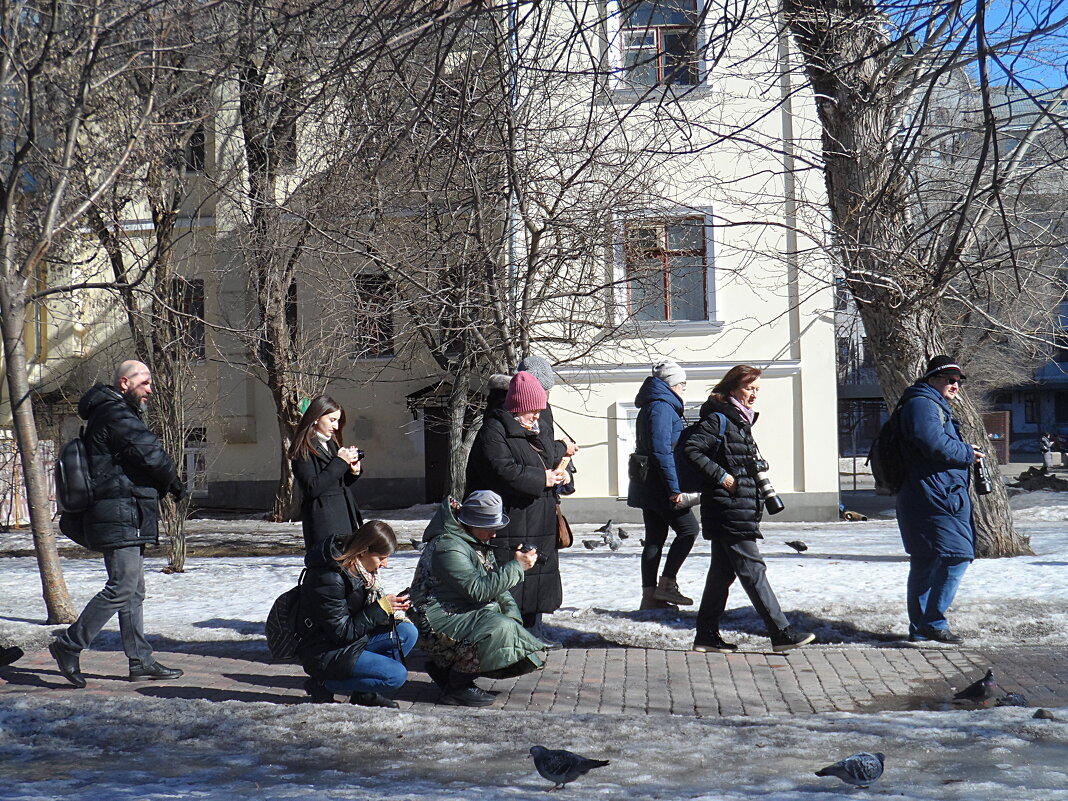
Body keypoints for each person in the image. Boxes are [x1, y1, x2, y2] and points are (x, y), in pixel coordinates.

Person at [49, 360, 187, 687]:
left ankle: (140, 660)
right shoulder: (117, 415)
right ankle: (69, 644)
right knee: (122, 586)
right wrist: (175, 483)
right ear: (125, 383)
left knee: (133, 590)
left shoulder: (109, 412)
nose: (150, 389)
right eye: (145, 382)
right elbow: (150, 452)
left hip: (124, 510)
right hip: (119, 512)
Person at [684, 365, 815, 653]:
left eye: (757, 389)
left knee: (721, 574)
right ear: (731, 388)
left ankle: (706, 636)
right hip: (728, 507)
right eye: (748, 388)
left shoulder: (739, 421)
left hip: (739, 506)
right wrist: (721, 476)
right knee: (753, 570)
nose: (753, 395)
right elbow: (691, 449)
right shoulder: (718, 418)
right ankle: (781, 632)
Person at [409, 491, 546, 707]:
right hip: (434, 618)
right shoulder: (449, 546)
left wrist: (513, 617)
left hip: (456, 610)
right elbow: (478, 590)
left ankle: (447, 671)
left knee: (505, 623)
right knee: (497, 628)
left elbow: (494, 584)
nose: (494, 534)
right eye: (490, 527)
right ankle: (456, 687)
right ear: (470, 523)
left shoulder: (471, 540)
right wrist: (518, 567)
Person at [466, 371, 567, 634]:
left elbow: (546, 461)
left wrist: (560, 474)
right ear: (517, 408)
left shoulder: (534, 430)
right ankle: (514, 641)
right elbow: (502, 471)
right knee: (514, 586)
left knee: (535, 584)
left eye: (539, 410)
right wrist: (541, 478)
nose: (537, 416)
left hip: (536, 521)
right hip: (511, 524)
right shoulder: (494, 430)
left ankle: (533, 636)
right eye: (532, 410)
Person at [896, 355, 983, 645]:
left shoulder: (926, 403)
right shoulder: (923, 403)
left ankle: (920, 627)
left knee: (925, 561)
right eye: (949, 379)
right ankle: (933, 622)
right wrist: (966, 453)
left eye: (958, 381)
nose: (955, 385)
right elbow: (931, 441)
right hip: (935, 497)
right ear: (932, 379)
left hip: (930, 494)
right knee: (957, 555)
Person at [298, 520, 417, 708]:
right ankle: (323, 684)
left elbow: (359, 614)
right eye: (381, 557)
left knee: (408, 632)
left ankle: (364, 694)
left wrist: (391, 609)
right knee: (395, 676)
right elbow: (341, 632)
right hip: (325, 651)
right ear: (363, 551)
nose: (385, 564)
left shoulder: (361, 572)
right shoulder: (329, 578)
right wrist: (380, 608)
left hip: (350, 641)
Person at [627, 359, 700, 610]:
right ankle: (666, 585)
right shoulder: (661, 407)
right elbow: (661, 452)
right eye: (682, 384)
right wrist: (674, 489)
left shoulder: (654, 405)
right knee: (689, 530)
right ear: (672, 384)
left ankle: (650, 597)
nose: (684, 389)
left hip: (650, 484)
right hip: (660, 486)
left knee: (655, 539)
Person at [290, 395, 364, 550]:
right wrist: (340, 462)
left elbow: (334, 484)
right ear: (316, 418)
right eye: (332, 420)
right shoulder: (303, 449)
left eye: (338, 421)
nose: (336, 426)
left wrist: (352, 472)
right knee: (330, 565)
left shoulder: (330, 443)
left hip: (343, 514)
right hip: (324, 520)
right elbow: (312, 488)